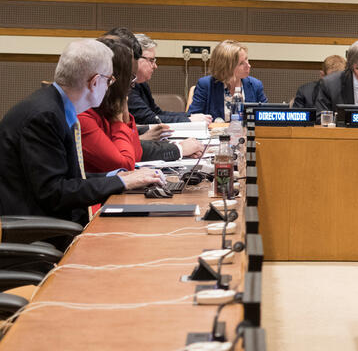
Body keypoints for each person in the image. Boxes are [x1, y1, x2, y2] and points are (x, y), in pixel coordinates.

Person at [0, 40, 163, 224]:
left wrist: (118, 176)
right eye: (109, 80)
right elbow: (54, 193)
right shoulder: (45, 117)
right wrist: (122, 182)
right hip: (40, 228)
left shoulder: (55, 107)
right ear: (95, 82)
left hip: (51, 218)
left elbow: (69, 178)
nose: (109, 87)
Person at [80, 36, 204, 172]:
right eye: (130, 78)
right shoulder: (84, 115)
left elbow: (136, 151)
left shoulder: (106, 106)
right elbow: (125, 164)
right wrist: (119, 122)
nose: (130, 86)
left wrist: (124, 117)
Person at [126, 33, 208, 125]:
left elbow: (157, 113)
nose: (155, 66)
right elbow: (148, 119)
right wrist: (189, 120)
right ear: (135, 58)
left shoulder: (141, 84)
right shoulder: (125, 86)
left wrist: (189, 116)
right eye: (151, 60)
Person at [187, 39, 267, 120]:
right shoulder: (206, 85)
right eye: (241, 63)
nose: (248, 65)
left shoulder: (255, 85)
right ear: (226, 68)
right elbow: (192, 117)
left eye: (246, 59)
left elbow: (266, 115)